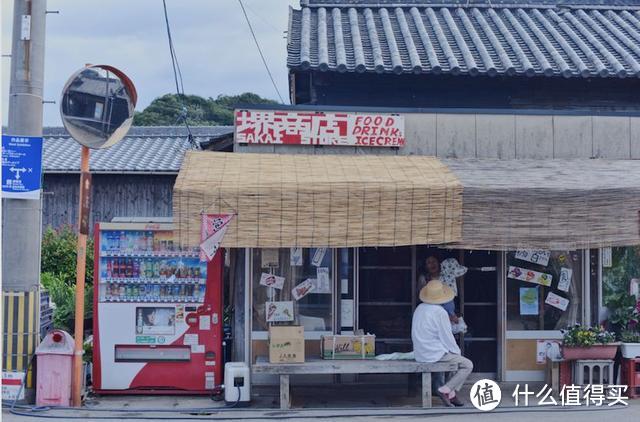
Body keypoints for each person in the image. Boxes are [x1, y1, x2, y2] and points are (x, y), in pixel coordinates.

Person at [412, 279, 473, 407]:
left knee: (453, 358)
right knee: (467, 364)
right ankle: (446, 390)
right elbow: (447, 337)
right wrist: (457, 351)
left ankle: (451, 393)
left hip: (421, 353)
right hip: (433, 354)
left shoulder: (419, 308)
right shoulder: (440, 312)